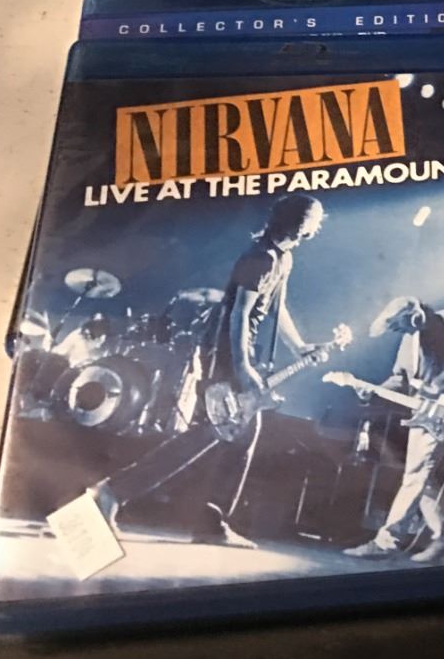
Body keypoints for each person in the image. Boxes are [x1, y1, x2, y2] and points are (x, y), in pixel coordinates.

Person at [83, 194, 330, 546]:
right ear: (297, 223)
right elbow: (238, 313)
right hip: (224, 352)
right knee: (215, 432)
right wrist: (242, 367)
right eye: (313, 219)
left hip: (235, 352)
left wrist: (300, 346)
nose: (317, 226)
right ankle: (117, 493)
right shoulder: (260, 257)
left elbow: (276, 307)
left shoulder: (283, 258)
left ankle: (202, 520)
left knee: (231, 434)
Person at [345, 296, 444, 563]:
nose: (401, 333)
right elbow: (401, 378)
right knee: (422, 477)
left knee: (416, 476)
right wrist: (373, 391)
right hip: (424, 414)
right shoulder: (409, 340)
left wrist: (442, 382)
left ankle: (387, 542)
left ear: (415, 316)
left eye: (401, 327)